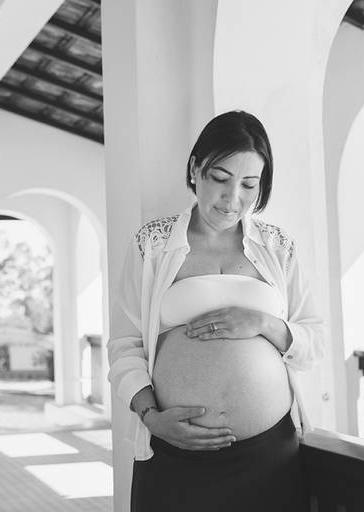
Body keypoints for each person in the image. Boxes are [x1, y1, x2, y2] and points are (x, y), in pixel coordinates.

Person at [108, 110, 325, 512]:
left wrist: (263, 323)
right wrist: (151, 417)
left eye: (249, 185)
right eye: (220, 179)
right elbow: (124, 344)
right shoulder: (153, 245)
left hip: (269, 457)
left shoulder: (278, 248)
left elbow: (314, 340)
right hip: (176, 453)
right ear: (195, 169)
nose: (232, 199)